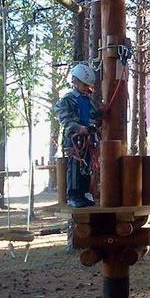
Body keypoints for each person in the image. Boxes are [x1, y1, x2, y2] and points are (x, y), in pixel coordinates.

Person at [53, 64, 102, 208]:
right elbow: (65, 119)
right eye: (84, 85)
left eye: (88, 85)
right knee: (75, 166)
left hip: (87, 139)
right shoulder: (67, 99)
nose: (87, 88)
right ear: (75, 82)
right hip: (74, 140)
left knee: (87, 166)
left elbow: (93, 115)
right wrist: (79, 128)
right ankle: (74, 195)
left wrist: (101, 113)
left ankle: (84, 193)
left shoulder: (87, 99)